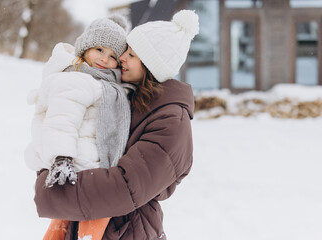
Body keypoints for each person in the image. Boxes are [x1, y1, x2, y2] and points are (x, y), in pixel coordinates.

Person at [34, 9, 199, 240]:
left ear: (150, 65)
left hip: (126, 231)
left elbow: (125, 188)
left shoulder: (171, 122)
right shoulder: (129, 97)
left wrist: (51, 191)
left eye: (130, 54)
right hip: (94, 222)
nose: (120, 58)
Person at [25, 15, 133, 240]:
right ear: (85, 48)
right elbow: (62, 120)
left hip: (85, 166)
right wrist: (62, 157)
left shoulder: (98, 80)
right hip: (77, 165)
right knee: (96, 218)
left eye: (113, 56)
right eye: (100, 50)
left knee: (63, 225)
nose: (105, 59)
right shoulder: (78, 79)